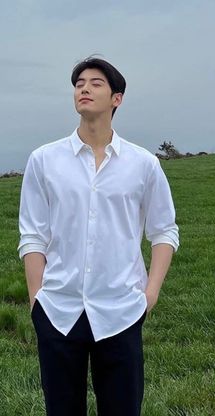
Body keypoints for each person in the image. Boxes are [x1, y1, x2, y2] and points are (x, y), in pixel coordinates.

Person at [18, 56, 179, 416]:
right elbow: (32, 234)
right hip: (58, 311)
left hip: (121, 310)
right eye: (79, 84)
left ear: (116, 99)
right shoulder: (43, 160)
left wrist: (149, 294)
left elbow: (164, 230)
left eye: (95, 83)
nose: (84, 88)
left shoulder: (143, 164)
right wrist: (36, 298)